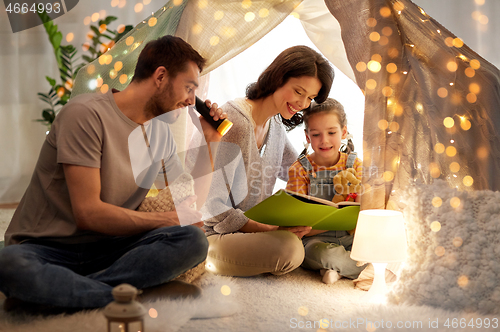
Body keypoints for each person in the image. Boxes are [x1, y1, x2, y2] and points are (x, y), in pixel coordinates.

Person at [0, 35, 225, 312]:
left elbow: (190, 206)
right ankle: (126, 297)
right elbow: (88, 214)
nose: (192, 101)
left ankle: (69, 293)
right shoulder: (84, 115)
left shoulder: (160, 134)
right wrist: (162, 220)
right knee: (9, 265)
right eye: (189, 88)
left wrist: (210, 141)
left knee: (192, 241)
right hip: (46, 248)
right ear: (161, 76)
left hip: (111, 249)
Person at [202, 45, 335, 277]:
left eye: (310, 97)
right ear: (277, 78)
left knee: (306, 234)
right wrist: (271, 229)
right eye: (298, 91)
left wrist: (344, 177)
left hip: (248, 231)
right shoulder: (235, 122)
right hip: (212, 235)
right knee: (290, 250)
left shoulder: (274, 124)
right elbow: (212, 207)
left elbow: (299, 170)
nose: (303, 104)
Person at [286, 98, 365, 284]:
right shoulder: (300, 169)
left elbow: (363, 211)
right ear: (307, 137)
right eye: (316, 135)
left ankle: (335, 270)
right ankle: (354, 269)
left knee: (375, 247)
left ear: (343, 132)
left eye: (331, 132)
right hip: (315, 240)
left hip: (349, 237)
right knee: (322, 253)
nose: (324, 140)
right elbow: (298, 225)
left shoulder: (356, 165)